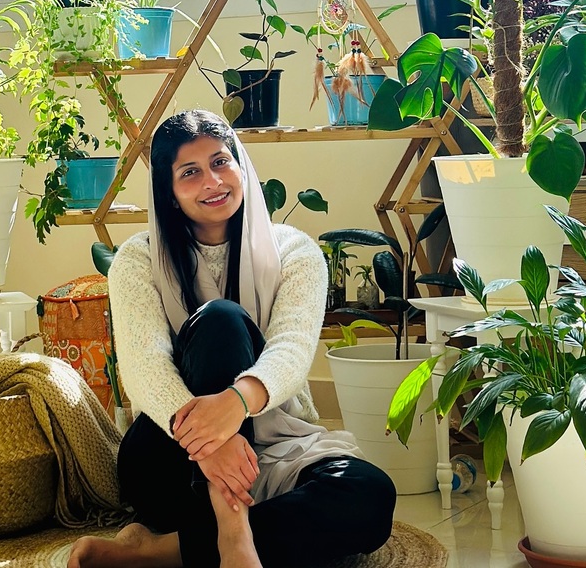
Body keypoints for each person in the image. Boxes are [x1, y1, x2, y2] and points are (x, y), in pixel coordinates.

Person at [68, 109, 396, 568]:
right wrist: (215, 440)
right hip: (171, 458)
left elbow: (292, 350)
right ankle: (235, 536)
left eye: (221, 162)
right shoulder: (136, 261)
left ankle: (160, 553)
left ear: (241, 166)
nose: (212, 181)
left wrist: (236, 405)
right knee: (220, 320)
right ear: (168, 190)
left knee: (369, 497)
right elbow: (145, 370)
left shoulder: (295, 253)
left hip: (273, 441)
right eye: (190, 172)